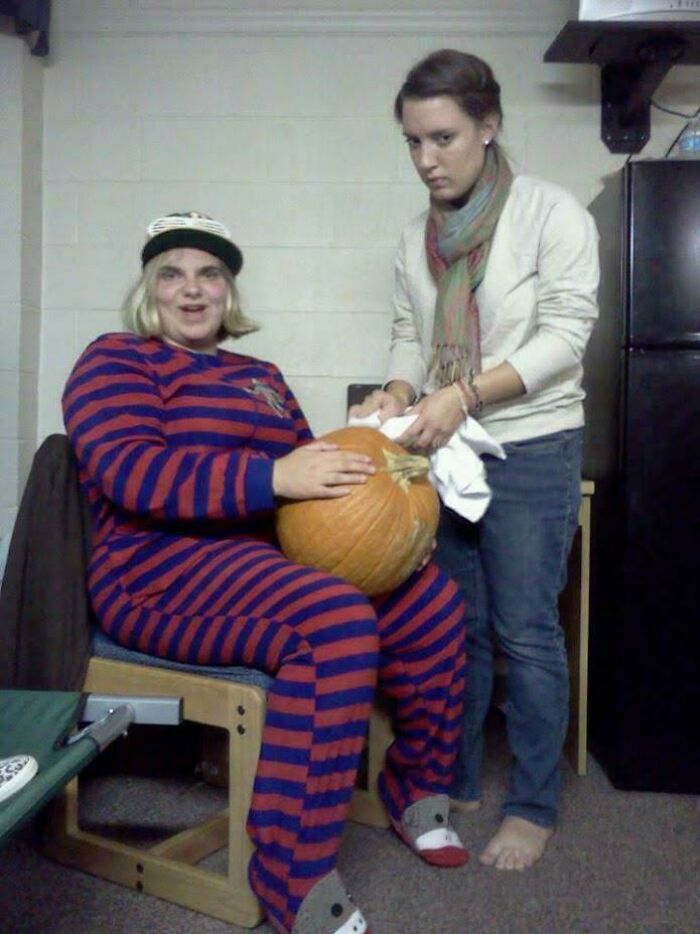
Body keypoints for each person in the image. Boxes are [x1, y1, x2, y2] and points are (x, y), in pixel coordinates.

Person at [62, 211, 470, 934]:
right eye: (172, 274)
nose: (193, 290)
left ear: (229, 290)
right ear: (149, 289)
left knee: (429, 600)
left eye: (210, 274)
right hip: (155, 572)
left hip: (262, 562)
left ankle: (416, 786)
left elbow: (311, 479)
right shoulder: (117, 360)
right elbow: (133, 473)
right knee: (333, 622)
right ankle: (289, 873)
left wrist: (397, 517)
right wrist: (271, 476)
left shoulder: (261, 377)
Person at [351, 50, 599, 871]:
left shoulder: (551, 214)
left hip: (533, 445)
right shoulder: (413, 238)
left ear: (488, 126)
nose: (426, 159)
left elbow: (565, 338)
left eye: (444, 138)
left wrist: (463, 394)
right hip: (449, 451)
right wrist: (397, 389)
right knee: (458, 627)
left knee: (524, 629)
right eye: (412, 141)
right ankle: (454, 780)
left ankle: (531, 806)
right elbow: (409, 334)